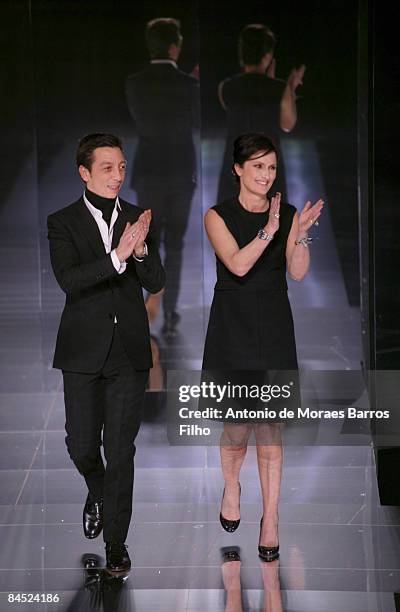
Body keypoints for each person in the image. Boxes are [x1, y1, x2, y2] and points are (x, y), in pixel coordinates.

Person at [202, 133, 323, 561]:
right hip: (231, 326)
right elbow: (236, 264)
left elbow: (299, 273)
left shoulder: (286, 214)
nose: (265, 175)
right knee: (235, 429)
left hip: (273, 325)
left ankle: (271, 518)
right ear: (237, 169)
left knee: (271, 430)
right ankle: (232, 486)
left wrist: (300, 235)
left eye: (271, 168)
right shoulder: (217, 215)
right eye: (257, 167)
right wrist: (270, 229)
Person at [47, 133, 165, 573]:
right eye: (107, 168)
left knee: (121, 450)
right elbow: (69, 280)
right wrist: (116, 255)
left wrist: (140, 250)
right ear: (85, 173)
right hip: (81, 351)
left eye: (121, 167)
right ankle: (97, 489)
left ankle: (117, 544)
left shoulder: (139, 218)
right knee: (81, 446)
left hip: (128, 354)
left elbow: (154, 281)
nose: (118, 176)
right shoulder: (62, 222)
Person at [125, 17, 199, 339]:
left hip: (149, 171)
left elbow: (144, 123)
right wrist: (191, 88)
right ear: (174, 46)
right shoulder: (189, 84)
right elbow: (191, 123)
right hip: (181, 171)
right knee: (177, 244)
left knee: (148, 240)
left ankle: (149, 300)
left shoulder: (134, 82)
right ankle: (168, 312)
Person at [217, 23, 305, 203]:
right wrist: (290, 88)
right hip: (267, 170)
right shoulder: (280, 89)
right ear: (267, 56)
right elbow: (288, 124)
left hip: (236, 166)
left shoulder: (225, 87)